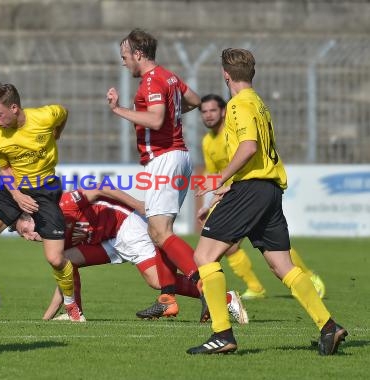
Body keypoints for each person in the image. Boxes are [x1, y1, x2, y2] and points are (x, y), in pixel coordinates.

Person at [186, 48, 347, 355]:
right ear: (252, 73)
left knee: (204, 256)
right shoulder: (259, 103)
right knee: (282, 265)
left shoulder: (237, 105)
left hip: (252, 189)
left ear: (225, 75)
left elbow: (247, 148)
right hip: (269, 190)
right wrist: (227, 188)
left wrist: (221, 180)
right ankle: (328, 326)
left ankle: (222, 334)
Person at [12, 188, 248, 325]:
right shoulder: (54, 238)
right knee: (66, 261)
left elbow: (102, 188)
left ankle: (225, 299)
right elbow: (61, 275)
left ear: (32, 217)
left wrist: (138, 205)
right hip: (108, 242)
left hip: (126, 226)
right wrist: (46, 319)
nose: (28, 237)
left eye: (25, 231)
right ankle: (75, 314)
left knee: (157, 282)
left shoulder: (64, 204)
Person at [0, 83, 85, 321]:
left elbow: (63, 113)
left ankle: (71, 307)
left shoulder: (45, 116)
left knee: (56, 258)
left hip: (46, 189)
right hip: (12, 190)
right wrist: (16, 195)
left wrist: (57, 134)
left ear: (14, 108)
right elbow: (3, 168)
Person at [106, 28, 204, 316]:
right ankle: (168, 299)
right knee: (156, 231)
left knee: (160, 232)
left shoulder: (151, 80)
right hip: (177, 156)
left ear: (138, 54)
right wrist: (174, 113)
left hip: (165, 158)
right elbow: (195, 100)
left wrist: (119, 110)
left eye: (125, 56)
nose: (123, 62)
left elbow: (156, 118)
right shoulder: (169, 76)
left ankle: (209, 289)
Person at [198, 94, 326, 300]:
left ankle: (307, 277)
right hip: (230, 192)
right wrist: (210, 203)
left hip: (246, 190)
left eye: (212, 110)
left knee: (263, 249)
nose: (208, 115)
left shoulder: (233, 133)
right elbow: (212, 174)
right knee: (233, 247)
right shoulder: (207, 141)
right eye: (204, 112)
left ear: (223, 112)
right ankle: (256, 287)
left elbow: (245, 161)